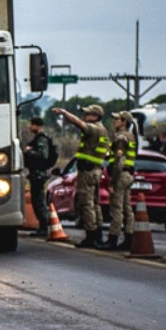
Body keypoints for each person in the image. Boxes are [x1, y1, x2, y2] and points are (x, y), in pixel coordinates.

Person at [52, 104, 110, 248]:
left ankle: (91, 236)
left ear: (96, 116)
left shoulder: (94, 128)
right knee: (95, 204)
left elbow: (78, 123)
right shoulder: (103, 130)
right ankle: (97, 235)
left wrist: (65, 113)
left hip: (88, 171)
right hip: (95, 170)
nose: (85, 116)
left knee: (85, 203)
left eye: (88, 114)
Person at [101, 111, 137, 250]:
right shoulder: (131, 136)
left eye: (117, 119)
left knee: (116, 209)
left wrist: (113, 181)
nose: (114, 121)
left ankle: (112, 239)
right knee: (127, 209)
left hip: (121, 175)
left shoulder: (120, 138)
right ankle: (129, 239)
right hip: (129, 175)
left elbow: (119, 162)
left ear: (124, 122)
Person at [23, 117, 51, 237]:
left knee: (39, 201)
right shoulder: (38, 139)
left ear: (37, 126)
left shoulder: (41, 139)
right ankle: (42, 226)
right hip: (35, 174)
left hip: (39, 174)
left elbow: (43, 155)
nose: (30, 127)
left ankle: (44, 227)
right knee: (36, 200)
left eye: (31, 124)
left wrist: (29, 151)